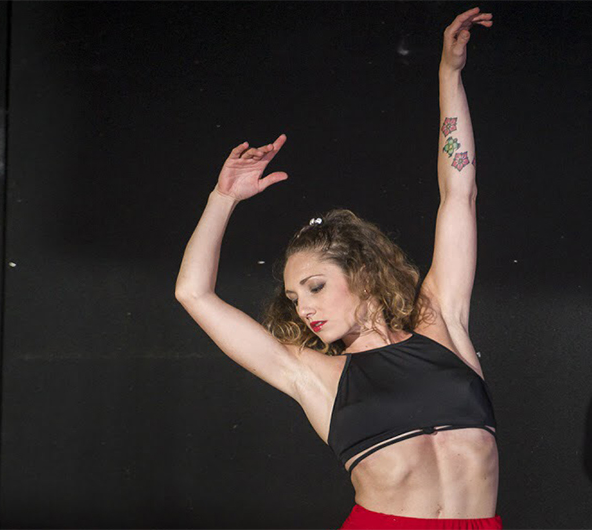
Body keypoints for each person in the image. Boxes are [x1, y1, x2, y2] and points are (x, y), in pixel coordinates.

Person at [175, 7, 501, 529]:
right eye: (294, 299)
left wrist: (449, 74)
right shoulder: (312, 374)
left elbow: (459, 192)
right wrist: (223, 198)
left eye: (315, 287)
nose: (304, 309)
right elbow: (193, 294)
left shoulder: (441, 319)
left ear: (363, 274)